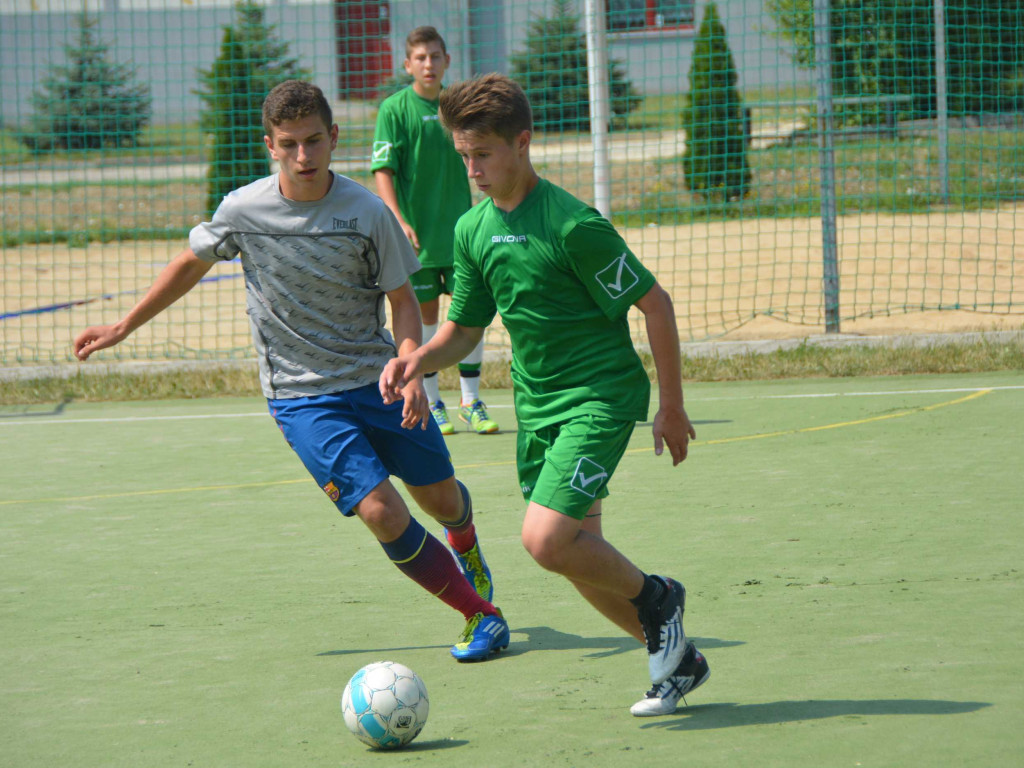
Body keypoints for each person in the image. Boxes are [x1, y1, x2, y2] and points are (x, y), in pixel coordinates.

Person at [72, 79, 509, 663]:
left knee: (443, 499)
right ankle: (480, 616)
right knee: (381, 510)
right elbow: (188, 263)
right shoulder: (243, 210)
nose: (303, 156)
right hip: (301, 397)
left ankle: (466, 541)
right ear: (269, 146)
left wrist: (408, 367)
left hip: (376, 378)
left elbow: (404, 301)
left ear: (333, 137)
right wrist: (122, 327)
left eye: (313, 141)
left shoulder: (366, 211)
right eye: (289, 144)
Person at [379, 73, 710, 715]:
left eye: (483, 154)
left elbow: (657, 305)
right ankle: (677, 661)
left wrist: (671, 405)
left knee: (544, 540)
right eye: (464, 155)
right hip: (539, 410)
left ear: (522, 143)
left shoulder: (573, 225)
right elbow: (465, 329)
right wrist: (419, 359)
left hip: (600, 398)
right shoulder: (473, 229)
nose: (472, 168)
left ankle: (660, 597)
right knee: (575, 557)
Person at [371, 26, 500, 437]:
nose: (429, 64)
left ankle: (471, 401)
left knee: (470, 315)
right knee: (426, 316)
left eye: (436, 56)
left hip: (461, 236)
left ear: (447, 61)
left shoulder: (456, 109)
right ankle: (434, 400)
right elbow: (383, 171)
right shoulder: (395, 110)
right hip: (418, 241)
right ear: (408, 64)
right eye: (421, 58)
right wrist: (398, 219)